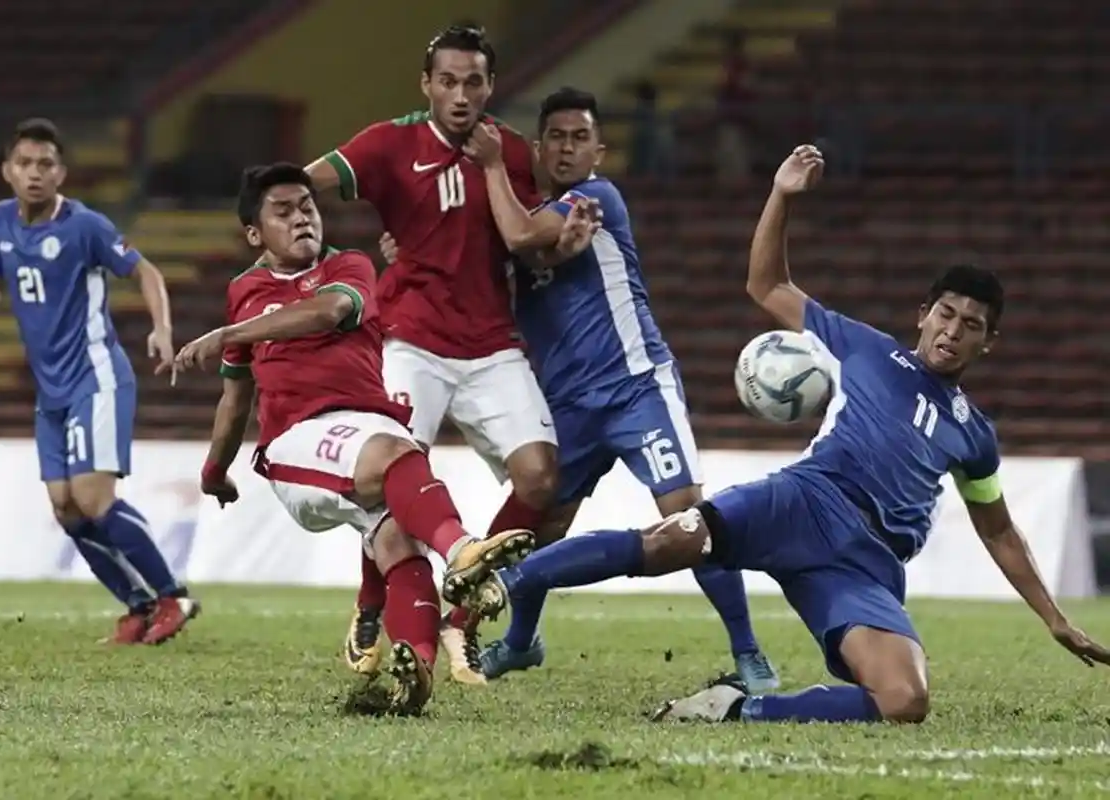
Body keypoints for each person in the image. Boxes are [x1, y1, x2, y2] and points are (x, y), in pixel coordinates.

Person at [481, 144, 1110, 724]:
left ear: (988, 342)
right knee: (675, 539)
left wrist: (1053, 618)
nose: (953, 330)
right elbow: (767, 285)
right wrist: (781, 195)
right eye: (946, 313)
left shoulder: (976, 435)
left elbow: (997, 528)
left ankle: (736, 711)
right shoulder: (864, 348)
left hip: (867, 563)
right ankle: (510, 579)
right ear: (923, 314)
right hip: (804, 501)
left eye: (972, 324)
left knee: (905, 699)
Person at [378, 87, 778, 689]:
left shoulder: (596, 199)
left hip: (635, 387)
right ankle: (519, 644)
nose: (567, 147)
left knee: (689, 520)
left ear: (599, 151)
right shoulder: (524, 214)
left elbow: (516, 237)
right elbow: (469, 255)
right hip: (568, 406)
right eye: (557, 138)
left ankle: (750, 654)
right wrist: (407, 248)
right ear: (539, 148)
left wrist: (490, 164)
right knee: (537, 528)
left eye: (579, 137)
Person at [171, 163, 549, 714]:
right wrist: (213, 470)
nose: (302, 217)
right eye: (283, 211)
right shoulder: (245, 291)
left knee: (399, 541)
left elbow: (329, 311)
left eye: (308, 205)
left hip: (364, 424)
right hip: (298, 438)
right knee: (397, 454)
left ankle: (415, 668)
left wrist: (231, 332)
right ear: (255, 234)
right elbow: (236, 398)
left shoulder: (348, 267)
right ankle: (463, 550)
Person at [302, 24, 571, 684]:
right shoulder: (389, 142)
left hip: (489, 344)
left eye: (473, 81)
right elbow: (303, 188)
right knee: (392, 482)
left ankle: (462, 622)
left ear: (490, 86)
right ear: (426, 85)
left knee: (540, 480)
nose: (460, 94)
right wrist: (341, 262)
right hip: (410, 339)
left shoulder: (506, 149)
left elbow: (525, 238)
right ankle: (371, 607)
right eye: (447, 81)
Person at [0, 118, 197, 645]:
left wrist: (162, 329)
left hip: (96, 378)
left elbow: (148, 272)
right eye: (24, 163)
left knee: (94, 498)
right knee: (66, 509)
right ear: (7, 171)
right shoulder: (1, 221)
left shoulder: (84, 225)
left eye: (46, 164)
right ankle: (138, 607)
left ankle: (171, 593)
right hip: (50, 394)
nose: (35, 173)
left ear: (62, 172)